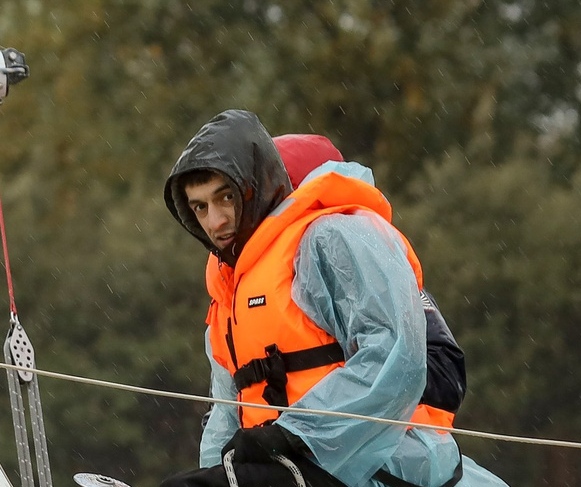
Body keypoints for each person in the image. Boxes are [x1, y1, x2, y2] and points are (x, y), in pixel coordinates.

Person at [143, 110, 564, 487]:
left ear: (258, 185)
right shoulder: (230, 292)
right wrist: (219, 479)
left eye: (226, 198)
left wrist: (295, 436)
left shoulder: (334, 237)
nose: (214, 221)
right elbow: (225, 408)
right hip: (285, 474)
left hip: (365, 471)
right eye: (199, 208)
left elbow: (399, 358)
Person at [199, 132, 466, 463]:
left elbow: (442, 375)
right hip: (275, 466)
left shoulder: (341, 245)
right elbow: (225, 404)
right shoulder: (231, 285)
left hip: (381, 461)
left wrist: (305, 430)